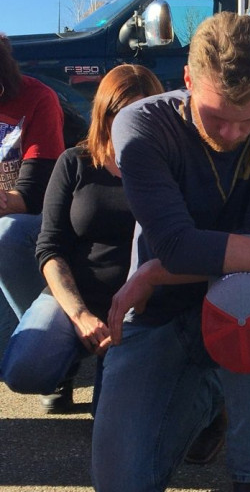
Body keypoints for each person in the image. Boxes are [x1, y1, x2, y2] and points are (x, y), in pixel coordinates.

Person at [92, 13, 250, 492]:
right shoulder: (141, 123)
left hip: (241, 303)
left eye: (247, 120)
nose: (231, 134)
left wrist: (155, 270)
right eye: (215, 116)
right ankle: (206, 393)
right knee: (122, 482)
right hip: (158, 314)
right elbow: (179, 244)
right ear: (187, 79)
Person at [0, 65, 164, 415]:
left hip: (141, 303)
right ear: (104, 114)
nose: (128, 125)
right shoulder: (75, 162)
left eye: (140, 113)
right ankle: (68, 362)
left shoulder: (170, 168)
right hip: (80, 293)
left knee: (109, 413)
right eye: (119, 115)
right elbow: (50, 247)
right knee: (24, 371)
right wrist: (79, 315)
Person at [0, 34, 64, 358]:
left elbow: (36, 194)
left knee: (7, 233)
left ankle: (48, 348)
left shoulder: (38, 98)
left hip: (34, 223)